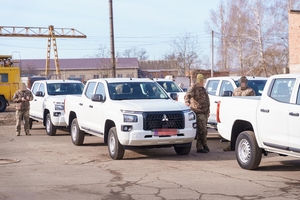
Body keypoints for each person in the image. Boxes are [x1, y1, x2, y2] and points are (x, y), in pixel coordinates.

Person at [223, 76, 255, 151]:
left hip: (246, 114)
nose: (243, 84)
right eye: (242, 82)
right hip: (236, 113)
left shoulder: (250, 91)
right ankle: (231, 145)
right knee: (233, 131)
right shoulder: (236, 90)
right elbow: (232, 101)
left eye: (244, 82)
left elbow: (252, 102)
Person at [184, 74, 210, 153]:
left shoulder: (203, 89)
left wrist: (208, 111)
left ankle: (201, 146)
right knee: (203, 130)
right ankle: (203, 145)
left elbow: (206, 100)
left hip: (205, 112)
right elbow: (187, 96)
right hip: (198, 112)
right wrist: (187, 103)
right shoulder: (193, 88)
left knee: (203, 131)